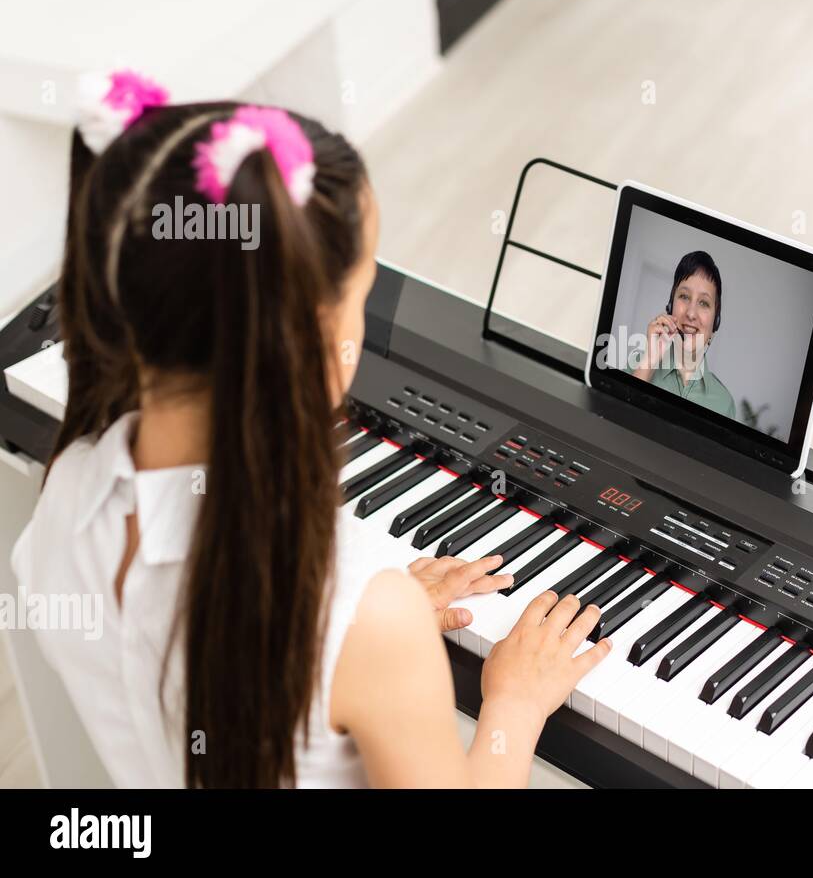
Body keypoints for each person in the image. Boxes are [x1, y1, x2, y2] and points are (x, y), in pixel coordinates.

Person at [9, 71, 611, 788]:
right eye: (362, 294)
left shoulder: (66, 498)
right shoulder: (360, 618)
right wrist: (512, 704)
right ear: (315, 338)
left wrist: (366, 627)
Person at [629, 250, 736, 419]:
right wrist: (649, 362)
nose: (691, 314)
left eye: (704, 303)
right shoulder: (636, 367)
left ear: (715, 323)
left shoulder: (724, 404)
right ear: (671, 306)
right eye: (684, 296)